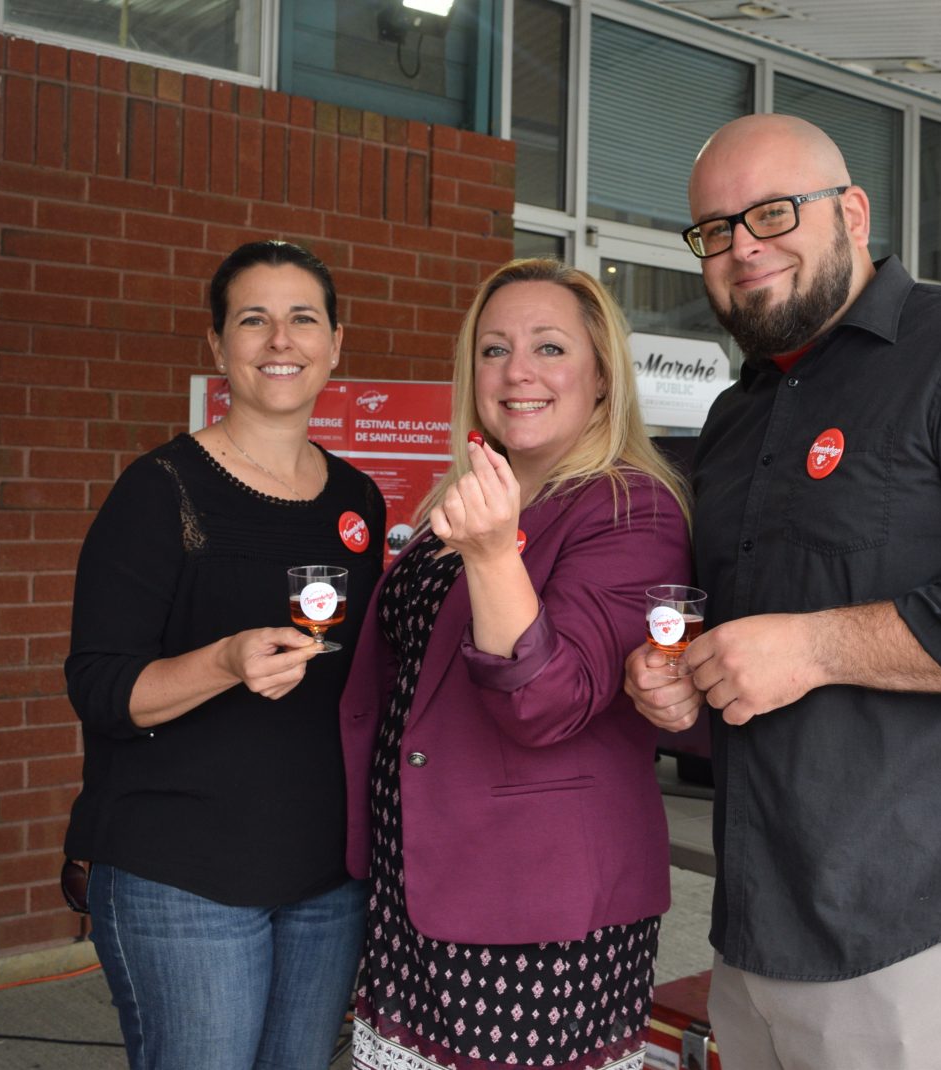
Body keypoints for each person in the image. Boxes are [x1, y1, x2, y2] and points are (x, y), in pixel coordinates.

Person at [623, 114, 941, 1070]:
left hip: (924, 921)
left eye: (773, 213)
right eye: (715, 231)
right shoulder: (739, 417)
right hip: (758, 916)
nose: (743, 248)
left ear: (852, 211)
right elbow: (742, 648)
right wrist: (682, 681)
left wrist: (815, 647)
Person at [339, 259, 692, 1070]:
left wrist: (495, 554)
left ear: (603, 377)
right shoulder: (461, 498)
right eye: (494, 350)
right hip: (419, 879)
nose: (518, 371)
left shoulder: (630, 505)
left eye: (549, 347)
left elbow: (547, 701)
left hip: (536, 901)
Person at [64, 240, 387, 1070]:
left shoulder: (359, 499)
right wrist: (226, 661)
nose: (281, 340)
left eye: (302, 319)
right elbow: (99, 686)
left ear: (336, 343)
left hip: (324, 874)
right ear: (218, 346)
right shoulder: (161, 489)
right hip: (181, 872)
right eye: (254, 320)